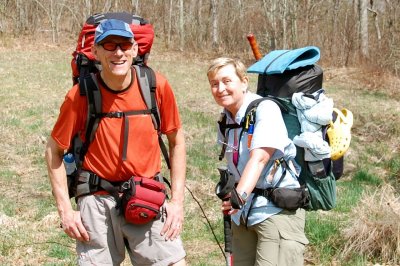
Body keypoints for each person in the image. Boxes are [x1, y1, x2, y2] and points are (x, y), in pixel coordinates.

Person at [45, 19, 186, 266]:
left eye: (124, 45)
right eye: (108, 45)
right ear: (95, 52)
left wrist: (176, 202)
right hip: (96, 201)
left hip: (147, 195)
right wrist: (65, 211)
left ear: (134, 49)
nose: (118, 52)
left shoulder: (155, 86)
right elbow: (54, 151)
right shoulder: (80, 95)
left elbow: (177, 141)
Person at [207, 57, 308, 266]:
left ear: (244, 82)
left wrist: (239, 196)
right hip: (242, 215)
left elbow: (260, 157)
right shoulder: (225, 119)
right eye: (214, 84)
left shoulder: (266, 109)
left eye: (227, 81)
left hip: (275, 211)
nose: (220, 89)